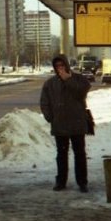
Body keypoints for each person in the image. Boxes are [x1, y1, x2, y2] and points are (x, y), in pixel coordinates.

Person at [40, 54, 91, 192]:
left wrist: (68, 80)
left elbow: (82, 92)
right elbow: (44, 102)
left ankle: (82, 182)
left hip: (77, 123)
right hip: (60, 124)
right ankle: (61, 181)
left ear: (67, 66)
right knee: (61, 154)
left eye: (62, 65)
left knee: (79, 153)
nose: (60, 69)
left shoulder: (79, 79)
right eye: (57, 66)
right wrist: (50, 117)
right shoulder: (50, 83)